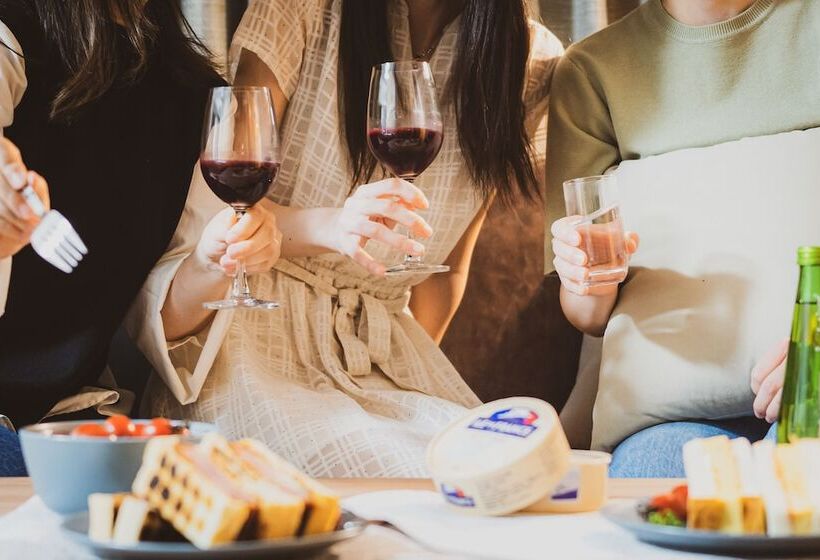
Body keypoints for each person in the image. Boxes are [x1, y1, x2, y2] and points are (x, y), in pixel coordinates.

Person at [131, 0, 564, 477]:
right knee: (405, 474)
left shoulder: (529, 58)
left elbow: (446, 268)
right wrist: (332, 227)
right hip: (255, 341)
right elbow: (226, 195)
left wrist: (406, 379)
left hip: (384, 352)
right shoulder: (303, 9)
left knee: (498, 473)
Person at [0, 0, 271, 476]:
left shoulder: (194, 93)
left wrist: (210, 264)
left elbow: (159, 318)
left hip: (64, 416)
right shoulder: (11, 37)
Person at [547, 0, 817, 476]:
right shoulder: (591, 71)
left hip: (810, 397)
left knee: (801, 477)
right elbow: (588, 314)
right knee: (660, 490)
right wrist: (586, 277)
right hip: (666, 422)